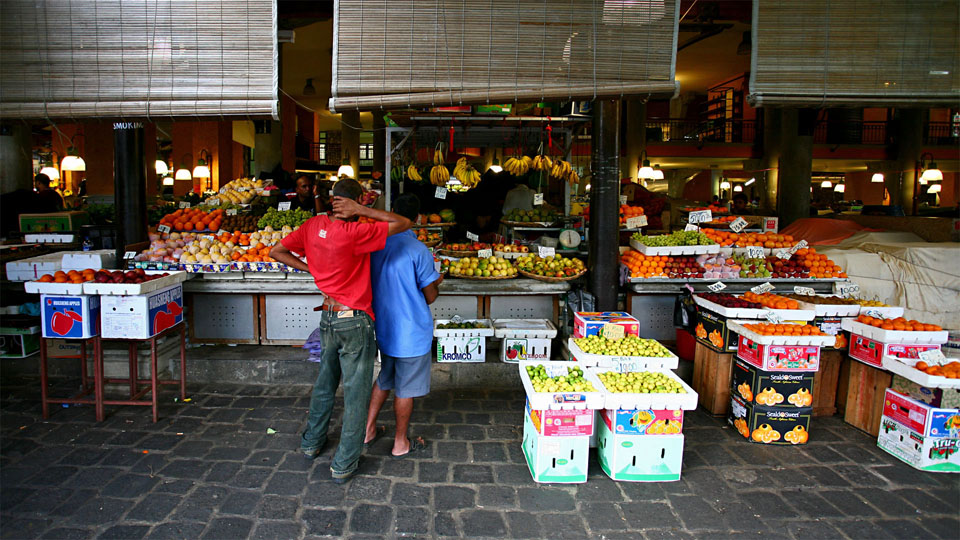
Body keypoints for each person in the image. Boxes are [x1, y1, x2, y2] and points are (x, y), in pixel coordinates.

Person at [268, 178, 412, 484]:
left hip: (328, 318)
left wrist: (312, 270)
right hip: (354, 320)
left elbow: (277, 251)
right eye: (359, 201)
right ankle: (344, 463)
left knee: (325, 384)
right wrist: (363, 210)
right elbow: (403, 222)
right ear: (356, 200)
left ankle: (311, 443)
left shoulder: (312, 226)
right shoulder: (356, 232)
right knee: (357, 395)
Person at [364, 194, 442, 458]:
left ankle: (368, 430)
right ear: (418, 219)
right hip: (411, 332)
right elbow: (430, 296)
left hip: (385, 326)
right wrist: (438, 280)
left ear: (392, 213)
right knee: (406, 388)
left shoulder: (374, 244)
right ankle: (400, 442)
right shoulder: (419, 250)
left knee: (385, 378)